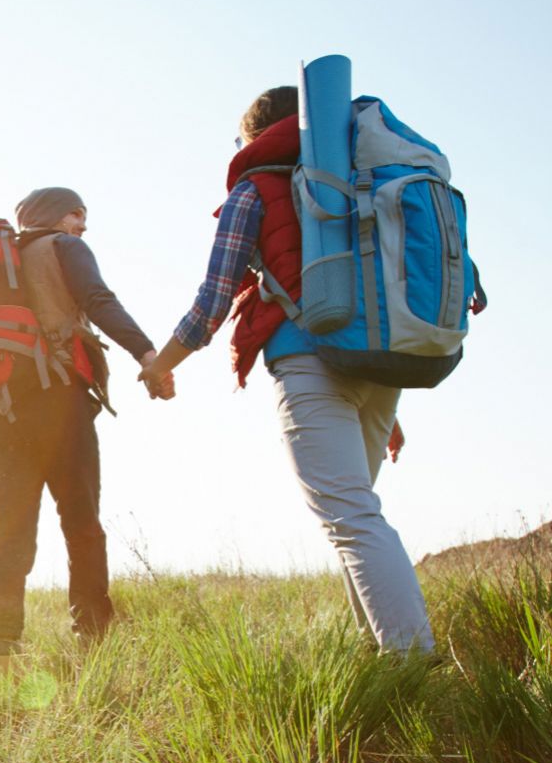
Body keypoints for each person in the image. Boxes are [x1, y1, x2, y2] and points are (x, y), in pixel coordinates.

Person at [140, 87, 483, 654]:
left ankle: (413, 664)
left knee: (351, 518)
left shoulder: (256, 188)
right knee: (356, 519)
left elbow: (212, 302)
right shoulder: (357, 184)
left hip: (310, 362)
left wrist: (160, 364)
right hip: (380, 367)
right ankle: (379, 656)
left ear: (255, 137)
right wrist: (381, 400)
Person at [0, 187, 167, 668]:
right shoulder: (63, 247)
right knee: (81, 524)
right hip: (57, 400)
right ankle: (94, 639)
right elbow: (99, 300)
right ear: (54, 217)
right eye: (77, 214)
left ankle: (0, 649)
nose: (83, 225)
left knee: (12, 530)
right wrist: (148, 355)